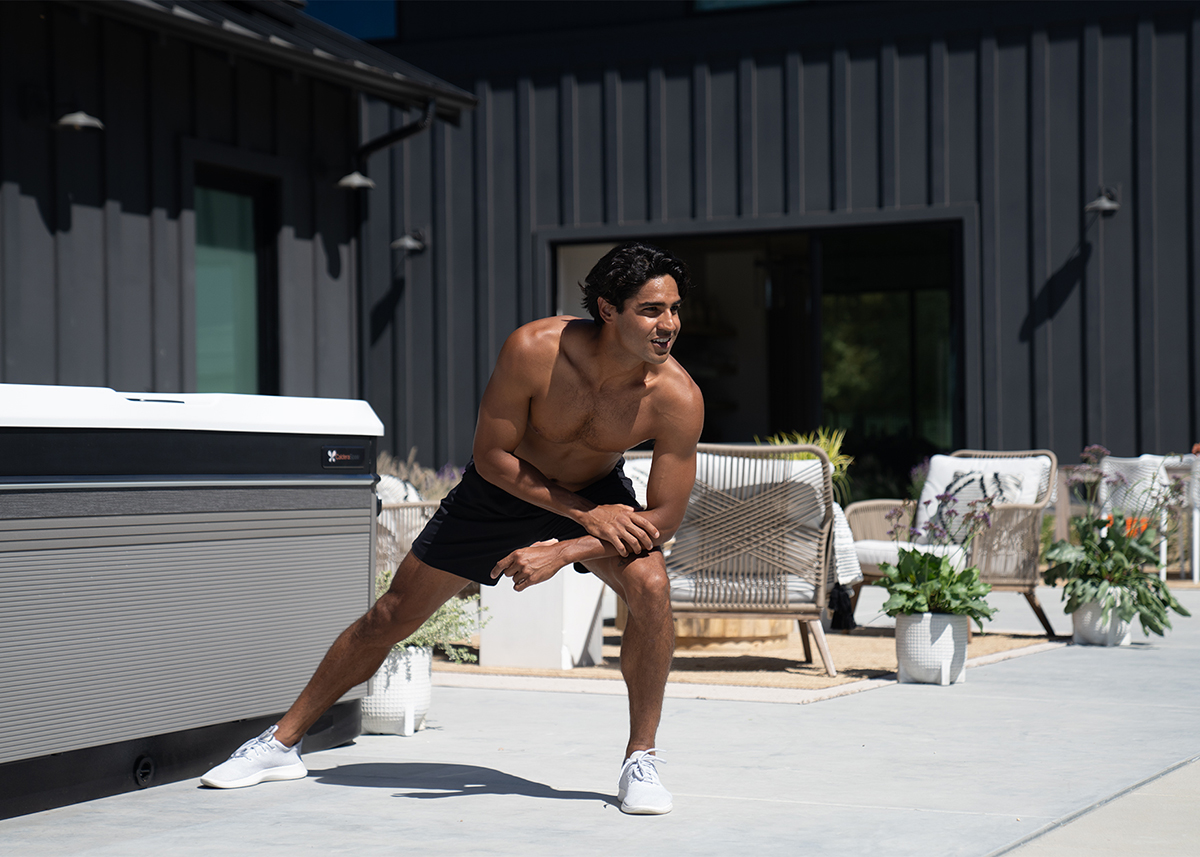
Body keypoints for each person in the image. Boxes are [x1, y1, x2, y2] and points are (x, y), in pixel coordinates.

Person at [200, 241, 704, 815]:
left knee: (652, 587)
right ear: (608, 309)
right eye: (652, 310)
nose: (669, 325)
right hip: (507, 487)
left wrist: (565, 549)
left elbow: (663, 518)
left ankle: (641, 758)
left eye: (675, 309)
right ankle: (280, 744)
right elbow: (491, 457)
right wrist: (582, 516)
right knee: (393, 615)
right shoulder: (535, 349)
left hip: (596, 494)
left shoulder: (677, 397)